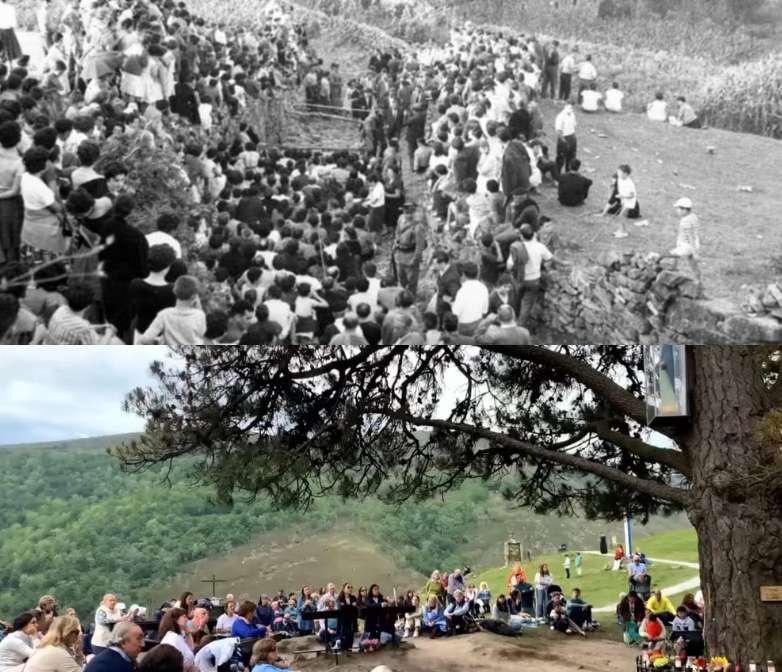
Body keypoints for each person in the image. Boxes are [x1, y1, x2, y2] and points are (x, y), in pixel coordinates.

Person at [138, 275, 206, 345]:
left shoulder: (164, 314)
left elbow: (145, 339)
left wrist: (158, 341)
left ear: (175, 291)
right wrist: (199, 308)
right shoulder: (199, 315)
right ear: (194, 296)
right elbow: (201, 334)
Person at [667, 197, 701, 281]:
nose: (677, 211)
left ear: (684, 210)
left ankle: (671, 273)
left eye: (678, 209)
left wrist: (695, 252)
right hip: (694, 244)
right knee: (693, 264)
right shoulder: (693, 216)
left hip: (687, 245)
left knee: (672, 255)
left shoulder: (686, 221)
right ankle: (698, 280)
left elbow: (690, 236)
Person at [610, 164, 639, 238]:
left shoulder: (629, 183)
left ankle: (624, 232)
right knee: (623, 216)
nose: (618, 174)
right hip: (624, 200)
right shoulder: (620, 179)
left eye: (620, 172)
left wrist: (623, 196)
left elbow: (632, 195)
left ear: (625, 174)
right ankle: (620, 230)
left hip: (629, 201)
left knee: (621, 216)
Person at [554, 101, 578, 174]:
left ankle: (569, 174)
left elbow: (574, 125)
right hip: (564, 137)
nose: (571, 109)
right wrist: (564, 142)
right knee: (561, 159)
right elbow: (558, 132)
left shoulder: (572, 114)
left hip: (572, 136)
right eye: (570, 106)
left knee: (571, 157)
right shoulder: (560, 116)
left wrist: (573, 138)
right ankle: (557, 175)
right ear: (565, 106)